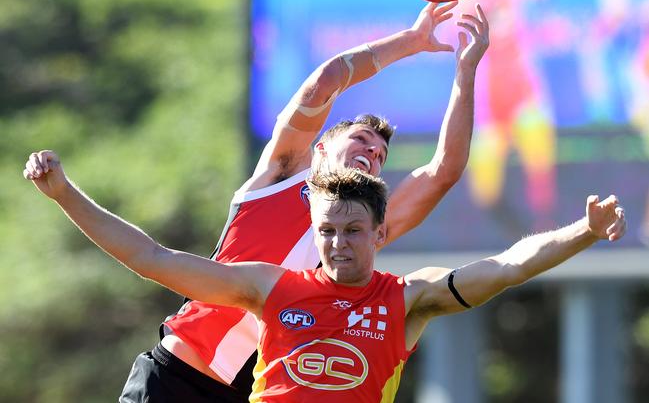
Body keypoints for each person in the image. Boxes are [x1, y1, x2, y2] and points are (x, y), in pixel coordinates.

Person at [98, 0, 486, 402]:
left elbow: (444, 171)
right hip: (175, 377)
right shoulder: (280, 175)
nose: (372, 153)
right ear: (320, 149)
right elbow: (327, 80)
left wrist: (466, 71)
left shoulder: (364, 228)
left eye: (379, 156)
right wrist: (409, 42)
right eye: (360, 140)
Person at [23, 153, 626, 402]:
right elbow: (153, 258)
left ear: (381, 234)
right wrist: (62, 193)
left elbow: (510, 267)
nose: (338, 244)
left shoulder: (408, 300)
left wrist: (583, 231)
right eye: (328, 232)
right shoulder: (270, 289)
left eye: (354, 231)